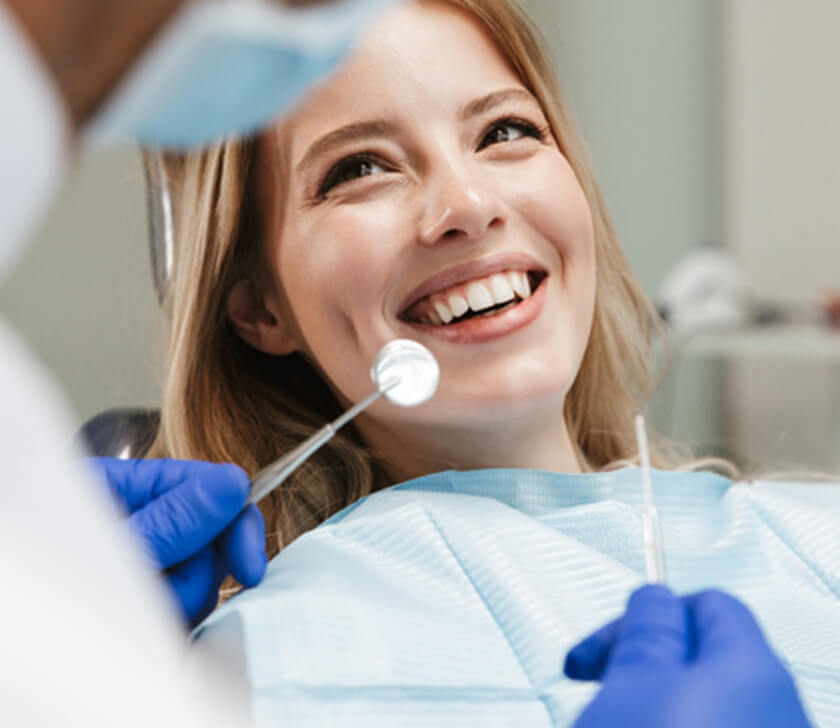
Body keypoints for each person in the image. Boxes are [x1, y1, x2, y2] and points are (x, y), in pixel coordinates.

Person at [143, 0, 830, 725]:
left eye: (505, 130)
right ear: (259, 309)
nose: (467, 204)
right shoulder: (239, 666)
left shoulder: (816, 536)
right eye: (359, 168)